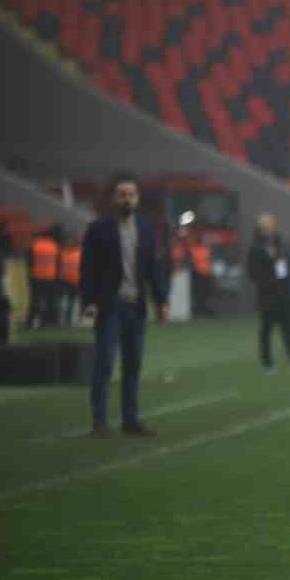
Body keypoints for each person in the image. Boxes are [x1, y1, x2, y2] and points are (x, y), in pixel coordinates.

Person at [80, 173, 169, 437]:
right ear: (113, 198)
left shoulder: (145, 229)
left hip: (136, 306)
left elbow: (153, 268)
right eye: (122, 194)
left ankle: (131, 421)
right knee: (104, 364)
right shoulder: (98, 229)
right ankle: (99, 422)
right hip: (109, 306)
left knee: (133, 366)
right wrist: (89, 303)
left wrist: (161, 300)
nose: (126, 199)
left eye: (131, 194)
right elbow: (88, 270)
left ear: (138, 198)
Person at [247, 213, 290, 373]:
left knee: (288, 331)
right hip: (267, 296)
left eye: (271, 226)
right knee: (266, 331)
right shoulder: (256, 247)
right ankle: (267, 363)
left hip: (283, 294)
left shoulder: (280, 244)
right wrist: (269, 281)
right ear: (261, 229)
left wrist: (287, 279)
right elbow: (253, 272)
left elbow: (286, 265)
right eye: (266, 227)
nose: (270, 230)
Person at [26, 227, 59, 329]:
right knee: (49, 301)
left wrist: (30, 274)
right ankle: (47, 322)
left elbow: (29, 261)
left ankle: (31, 322)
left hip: (37, 277)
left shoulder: (35, 245)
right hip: (50, 277)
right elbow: (58, 263)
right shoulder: (55, 246)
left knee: (35, 301)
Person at [58, 231, 81, 327]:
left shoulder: (80, 253)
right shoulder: (62, 253)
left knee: (74, 303)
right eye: (68, 242)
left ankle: (73, 322)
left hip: (76, 282)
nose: (69, 243)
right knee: (65, 303)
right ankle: (62, 321)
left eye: (71, 242)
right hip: (65, 281)